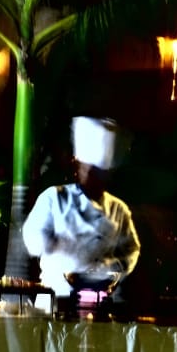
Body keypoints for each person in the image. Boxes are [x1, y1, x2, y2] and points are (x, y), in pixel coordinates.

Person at [21, 116, 140, 297]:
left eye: (98, 174)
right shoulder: (54, 197)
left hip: (102, 296)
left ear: (107, 175)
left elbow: (131, 250)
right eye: (88, 170)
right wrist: (50, 243)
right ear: (78, 168)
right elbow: (31, 237)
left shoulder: (119, 209)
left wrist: (112, 267)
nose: (91, 177)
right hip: (56, 293)